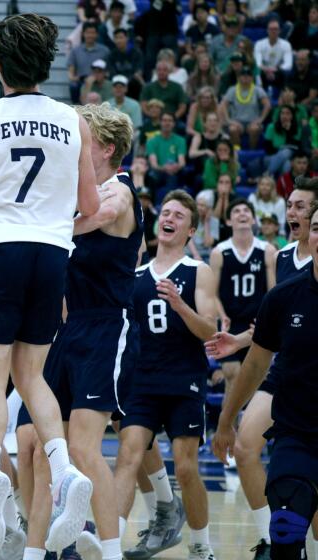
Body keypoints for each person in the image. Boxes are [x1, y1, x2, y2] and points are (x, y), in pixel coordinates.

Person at [0, 13, 99, 557]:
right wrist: (57, 228)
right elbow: (89, 207)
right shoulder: (73, 121)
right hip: (52, 255)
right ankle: (63, 469)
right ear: (47, 63)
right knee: (33, 372)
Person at [26, 103, 141, 560]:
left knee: (82, 447)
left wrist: (42, 229)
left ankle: (110, 552)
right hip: (66, 332)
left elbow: (99, 216)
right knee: (41, 451)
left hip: (106, 328)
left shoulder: (120, 190)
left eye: (82, 138)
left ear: (106, 148)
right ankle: (35, 554)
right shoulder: (73, 191)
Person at [206, 177, 318, 559]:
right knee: (245, 446)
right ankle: (270, 538)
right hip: (283, 373)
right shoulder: (283, 256)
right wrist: (238, 342)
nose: (293, 213)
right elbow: (273, 326)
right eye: (291, 205)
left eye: (302, 206)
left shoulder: (271, 254)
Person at [113, 190, 218, 560]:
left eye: (178, 215)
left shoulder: (197, 271)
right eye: (166, 212)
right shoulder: (137, 274)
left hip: (183, 379)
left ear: (190, 230)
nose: (168, 218)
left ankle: (202, 547)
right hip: (142, 380)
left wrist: (179, 304)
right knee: (128, 456)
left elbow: (210, 330)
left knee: (186, 468)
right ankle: (112, 547)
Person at [208, 198, 276, 389]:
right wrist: (222, 316)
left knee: (259, 378)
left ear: (254, 219)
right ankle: (230, 420)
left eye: (246, 210)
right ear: (228, 221)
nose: (242, 213)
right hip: (231, 322)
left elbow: (273, 292)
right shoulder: (219, 251)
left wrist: (268, 320)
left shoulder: (267, 250)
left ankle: (253, 418)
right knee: (232, 375)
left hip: (257, 321)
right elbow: (212, 294)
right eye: (236, 211)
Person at [220, 67, 271, 150]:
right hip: (237, 121)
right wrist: (228, 120)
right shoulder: (232, 90)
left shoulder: (257, 90)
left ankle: (252, 151)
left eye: (248, 76)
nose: (245, 78)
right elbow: (223, 105)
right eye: (243, 76)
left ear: (252, 78)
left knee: (254, 129)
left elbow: (267, 105)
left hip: (253, 121)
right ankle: (237, 151)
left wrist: (260, 119)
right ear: (239, 78)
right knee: (232, 129)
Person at [253, 19, 292, 90]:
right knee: (256, 72)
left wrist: (275, 69)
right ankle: (260, 95)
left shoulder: (286, 44)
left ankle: (283, 96)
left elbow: (288, 64)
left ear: (279, 31)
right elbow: (257, 63)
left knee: (286, 73)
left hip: (279, 73)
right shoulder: (259, 44)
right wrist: (266, 69)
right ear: (267, 31)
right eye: (271, 29)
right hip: (263, 72)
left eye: (275, 29)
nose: (273, 31)